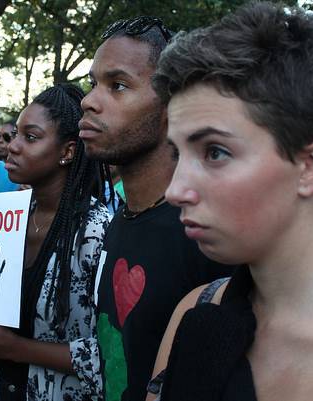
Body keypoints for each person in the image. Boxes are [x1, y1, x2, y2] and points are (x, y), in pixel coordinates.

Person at [147, 3, 313, 401]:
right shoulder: (196, 311)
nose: (176, 191)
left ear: (311, 166)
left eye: (215, 152)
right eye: (177, 154)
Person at [78, 16, 232, 401]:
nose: (89, 100)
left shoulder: (205, 236)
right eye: (93, 83)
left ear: (169, 106)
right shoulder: (120, 220)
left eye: (118, 85)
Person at [0, 84, 110, 401]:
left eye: (30, 137)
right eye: (15, 134)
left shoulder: (96, 232)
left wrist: (14, 348)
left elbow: (107, 357)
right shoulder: (3, 219)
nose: (12, 147)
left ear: (68, 152)